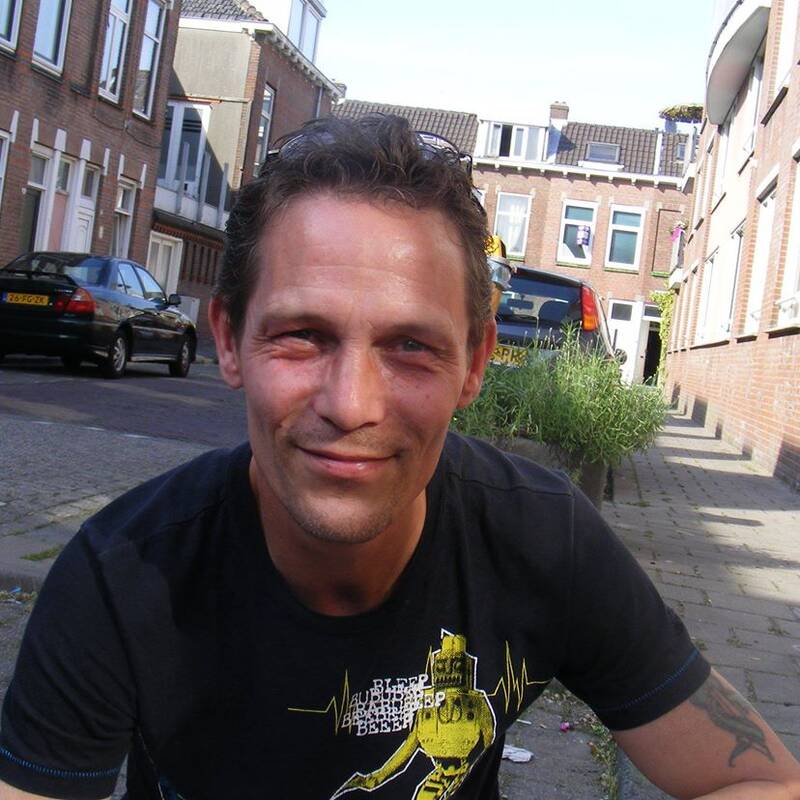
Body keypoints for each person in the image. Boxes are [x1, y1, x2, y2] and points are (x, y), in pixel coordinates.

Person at [1, 115, 798, 800]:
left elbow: (762, 779)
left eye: (411, 346)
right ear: (229, 341)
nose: (352, 404)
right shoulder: (123, 574)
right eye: (302, 335)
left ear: (474, 364)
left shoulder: (542, 540)